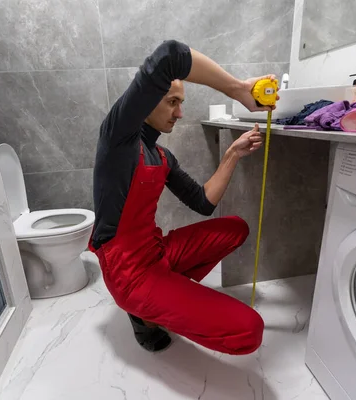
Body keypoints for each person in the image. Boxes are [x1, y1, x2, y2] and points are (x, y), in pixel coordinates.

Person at [89, 40, 277, 355]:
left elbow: (203, 203)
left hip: (157, 252)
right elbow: (171, 56)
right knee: (250, 331)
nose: (180, 112)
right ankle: (144, 310)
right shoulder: (117, 139)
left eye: (181, 102)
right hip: (129, 274)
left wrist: (232, 154)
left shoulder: (162, 156)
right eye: (171, 101)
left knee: (235, 228)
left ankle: (165, 293)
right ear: (147, 102)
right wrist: (238, 89)